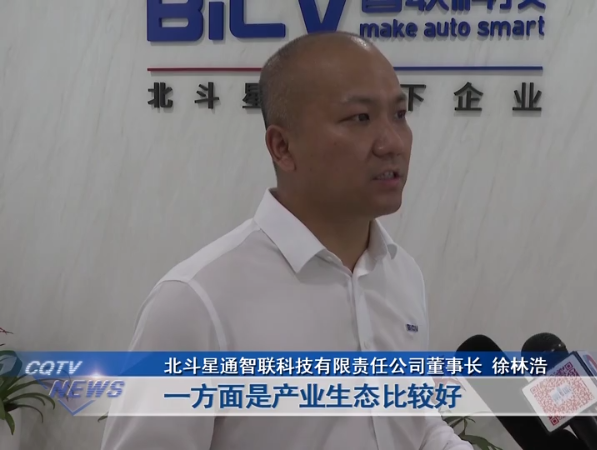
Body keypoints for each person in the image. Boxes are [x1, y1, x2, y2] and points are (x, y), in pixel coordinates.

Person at [100, 31, 473, 450]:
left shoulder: (402, 274)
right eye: (360, 118)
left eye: (400, 114)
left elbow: (413, 422)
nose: (393, 143)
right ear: (282, 147)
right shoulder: (195, 302)